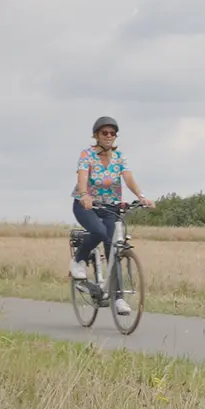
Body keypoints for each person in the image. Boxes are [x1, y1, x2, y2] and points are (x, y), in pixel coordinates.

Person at [71, 115, 151, 314]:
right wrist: (84, 195)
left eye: (112, 133)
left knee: (113, 249)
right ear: (96, 135)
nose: (109, 136)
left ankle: (118, 299)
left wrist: (141, 196)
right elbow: (82, 177)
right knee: (98, 232)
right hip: (86, 205)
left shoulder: (119, 157)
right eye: (104, 133)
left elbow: (128, 178)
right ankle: (79, 259)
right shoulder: (87, 155)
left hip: (110, 207)